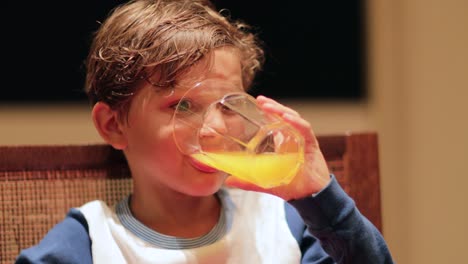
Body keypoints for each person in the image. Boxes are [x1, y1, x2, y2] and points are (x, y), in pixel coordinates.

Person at [16, 0, 394, 263]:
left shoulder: (283, 224)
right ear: (114, 125)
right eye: (181, 106)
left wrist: (320, 197)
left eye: (228, 104)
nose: (214, 129)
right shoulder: (88, 244)